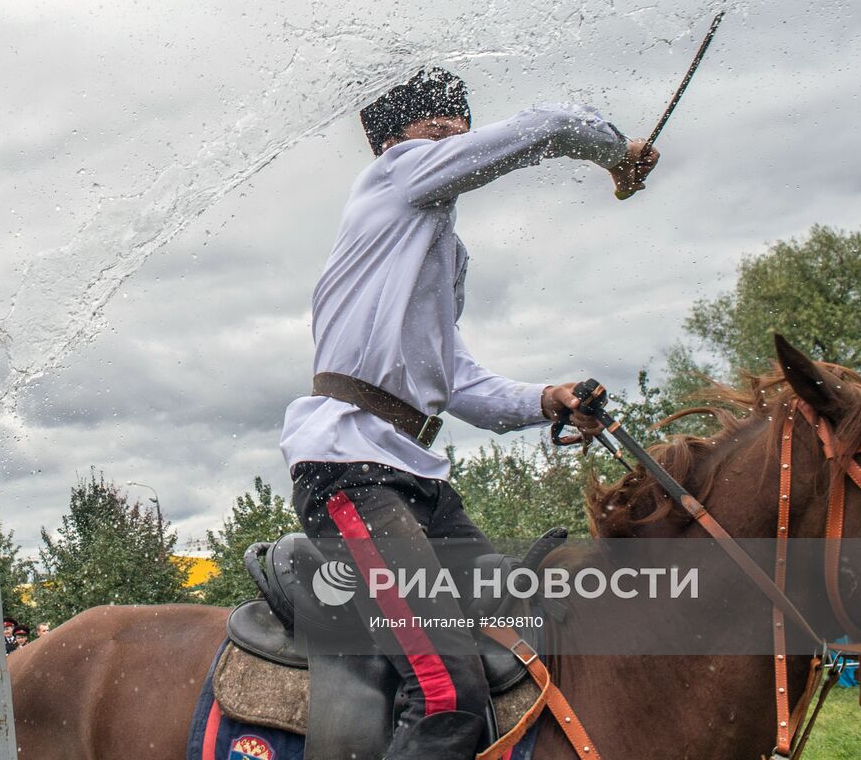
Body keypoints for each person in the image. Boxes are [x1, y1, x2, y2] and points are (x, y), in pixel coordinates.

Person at [279, 67, 655, 760]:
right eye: (436, 127)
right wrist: (616, 154)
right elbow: (540, 127)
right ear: (394, 144)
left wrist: (548, 398)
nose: (455, 133)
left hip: (418, 481)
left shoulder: (442, 250)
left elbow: (458, 381)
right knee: (446, 692)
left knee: (525, 622)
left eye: (461, 122)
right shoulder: (396, 180)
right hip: (351, 472)